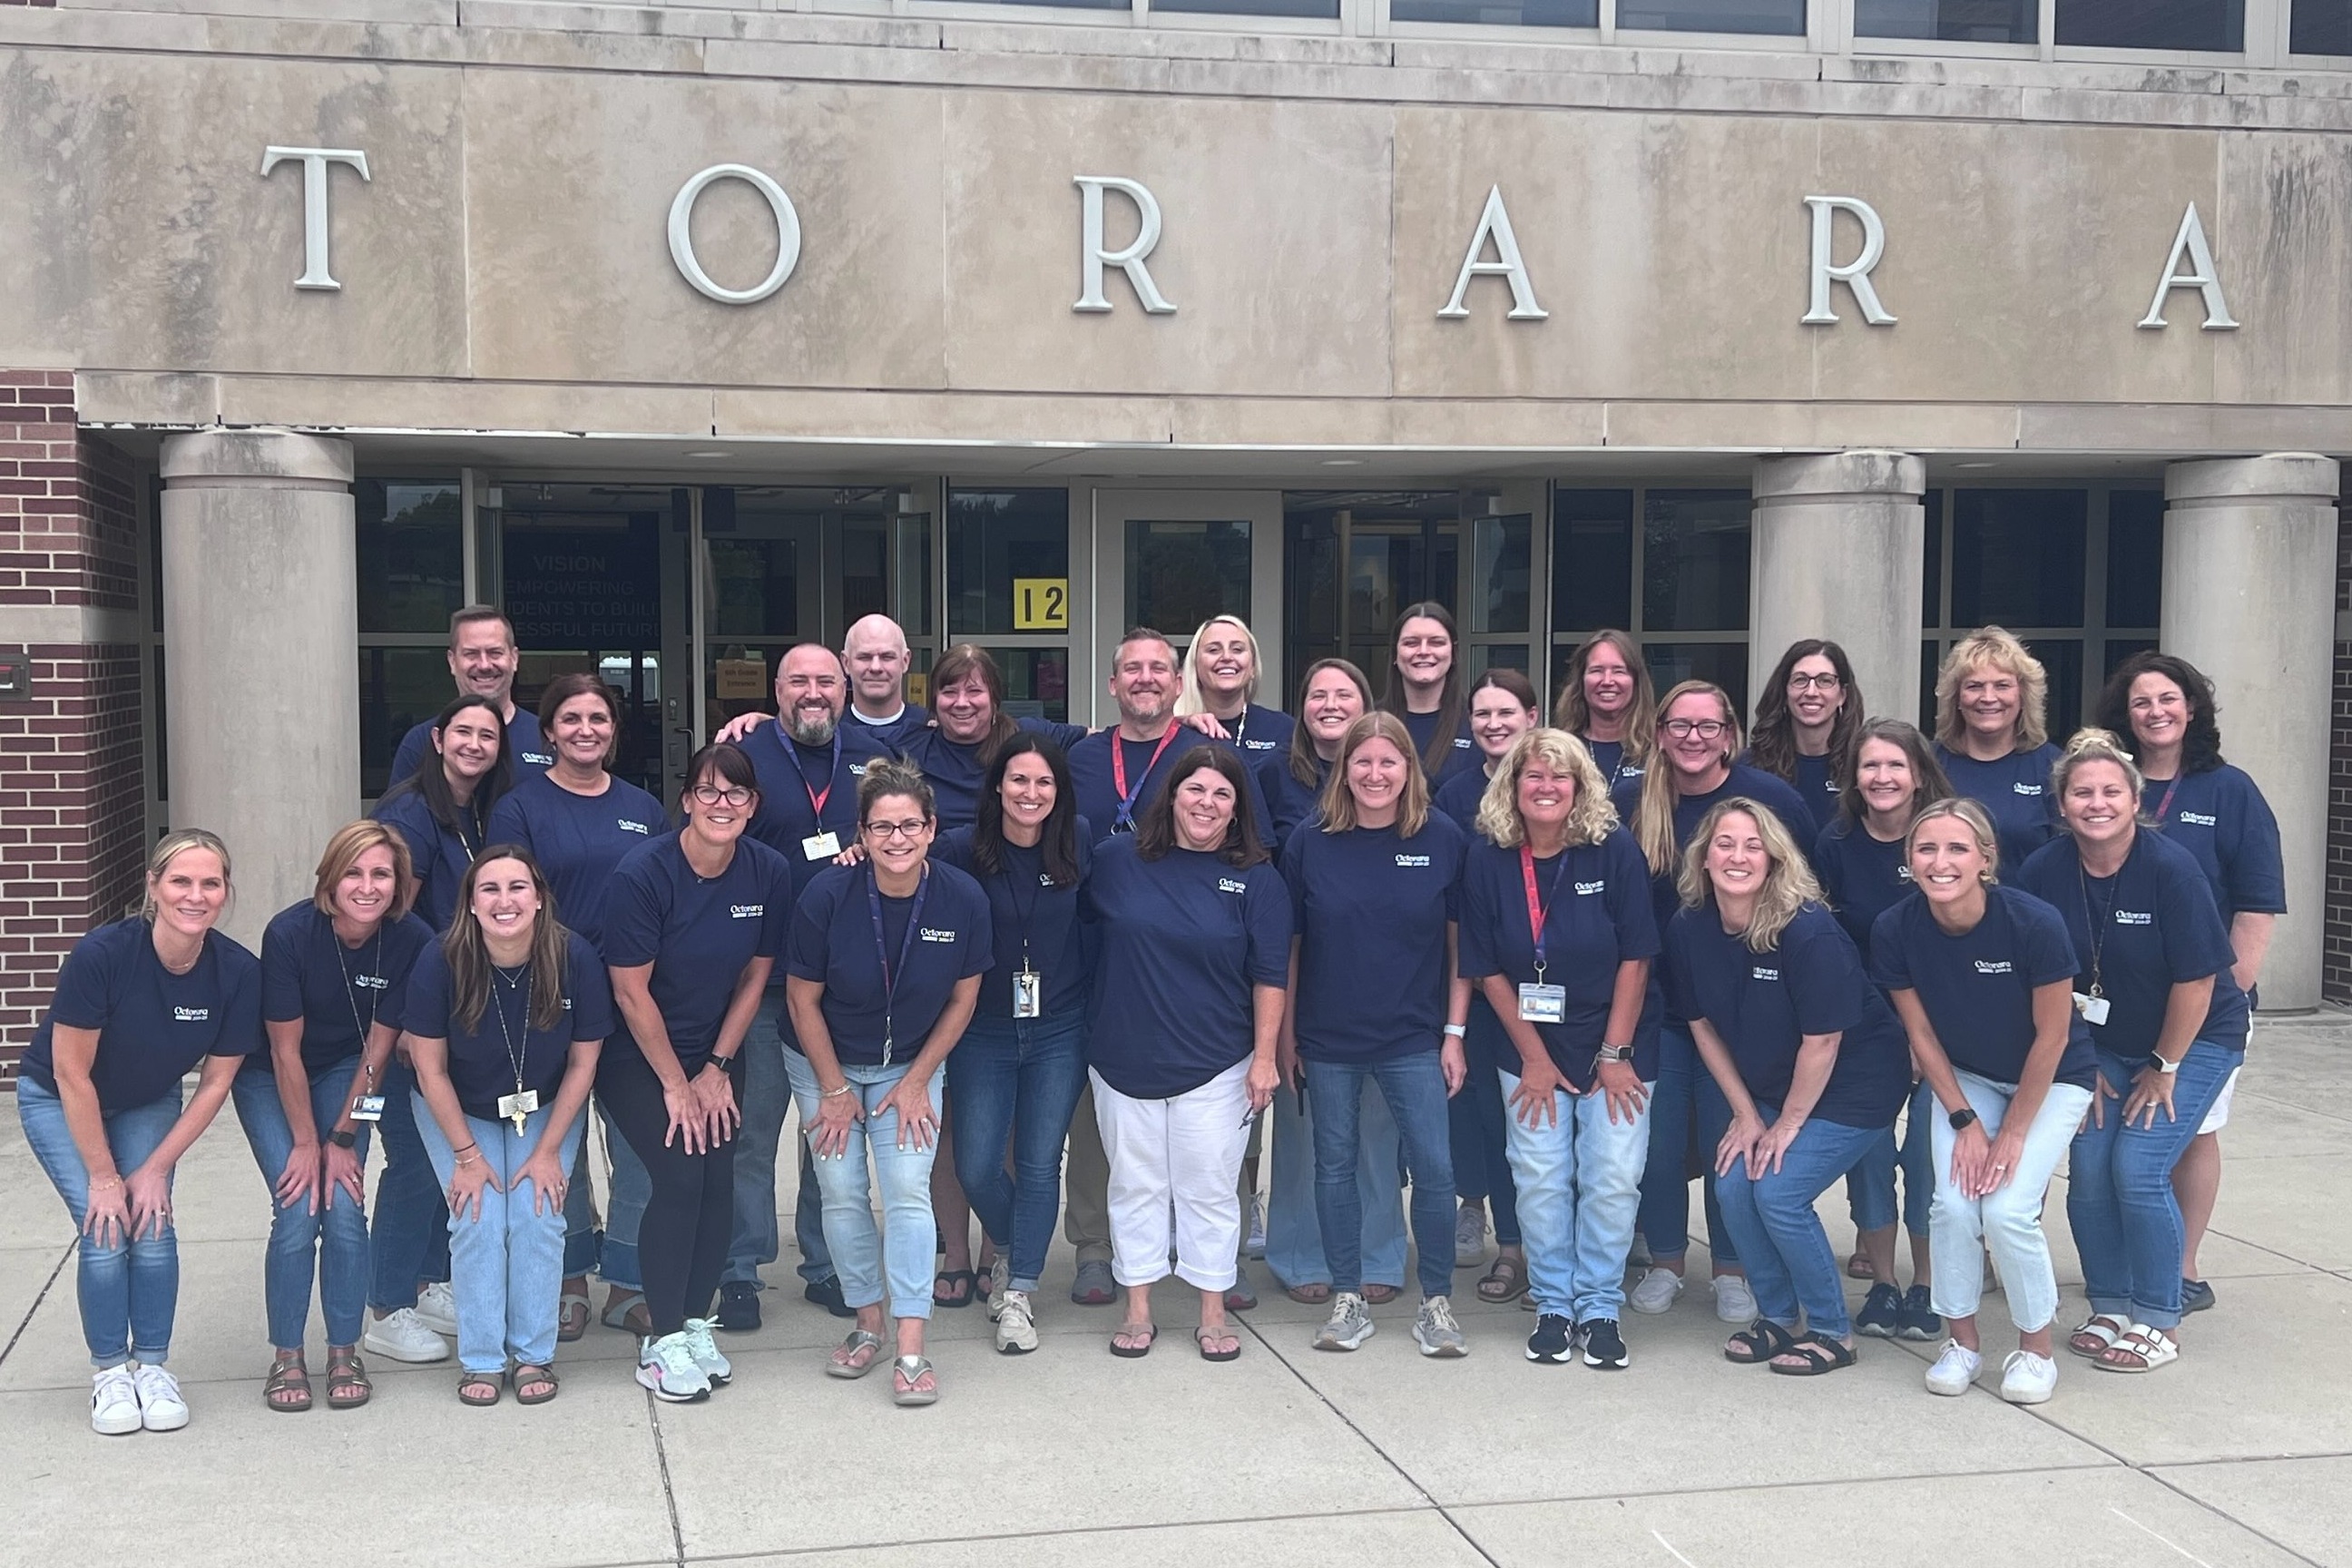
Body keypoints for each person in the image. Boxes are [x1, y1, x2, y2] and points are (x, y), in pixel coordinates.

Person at [2016, 731, 2248, 1375]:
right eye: (2082, 792)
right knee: (2089, 1169)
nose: (2096, 803)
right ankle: (2111, 1304)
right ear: (2062, 804)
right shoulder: (2043, 872)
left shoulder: (2171, 868)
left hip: (2194, 1038)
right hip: (2101, 1044)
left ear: (2134, 799)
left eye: (2110, 791)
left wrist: (2165, 1067)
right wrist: (2080, 1062)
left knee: (2139, 1167)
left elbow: (2197, 982)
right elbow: (2046, 977)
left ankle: (2159, 1316)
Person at [17, 830, 260, 1434]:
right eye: (181, 881)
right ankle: (109, 1375)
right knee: (105, 1226)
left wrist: (152, 1170)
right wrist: (104, 1176)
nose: (195, 895)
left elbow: (214, 1085)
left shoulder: (236, 972)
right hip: (59, 1097)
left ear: (226, 893)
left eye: (210, 883)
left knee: (152, 1222)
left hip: (147, 1101)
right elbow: (72, 1074)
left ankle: (151, 1366)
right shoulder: (103, 954)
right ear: (153, 887)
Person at [1063, 628, 1269, 1308]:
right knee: (1116, 1147)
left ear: (1178, 684)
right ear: (1112, 684)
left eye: (1160, 668)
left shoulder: (1203, 751)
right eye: (1132, 669)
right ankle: (1098, 1252)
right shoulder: (1082, 755)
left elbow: (1255, 854)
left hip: (1203, 973)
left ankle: (1215, 1266)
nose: (1147, 678)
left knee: (1206, 1157)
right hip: (1108, 968)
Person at [1667, 802, 1911, 1377]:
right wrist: (1748, 1116)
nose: (1738, 857)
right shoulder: (1689, 926)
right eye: (1724, 844)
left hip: (1856, 1084)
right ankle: (1780, 1317)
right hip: (1775, 1085)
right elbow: (1700, 1025)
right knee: (1731, 1184)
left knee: (1778, 1191)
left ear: (1776, 859)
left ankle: (1832, 1330)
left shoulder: (1807, 929)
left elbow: (1823, 1042)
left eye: (1753, 846)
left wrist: (1787, 1125)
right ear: (1703, 859)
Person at [1870, 799, 2096, 1405]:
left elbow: (2053, 1038)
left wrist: (2014, 1132)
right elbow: (1921, 1035)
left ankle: (2035, 1352)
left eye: (1956, 849)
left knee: (2007, 1210)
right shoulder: (1895, 928)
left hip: (2050, 1080)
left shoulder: (2034, 923)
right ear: (1909, 859)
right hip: (1967, 1078)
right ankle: (1962, 1343)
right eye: (1926, 849)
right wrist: (1964, 1121)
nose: (1940, 862)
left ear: (1986, 860)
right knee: (1951, 1204)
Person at [785, 760, 991, 1404]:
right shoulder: (827, 895)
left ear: (932, 829)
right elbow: (800, 999)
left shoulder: (962, 898)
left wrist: (918, 1080)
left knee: (906, 1191)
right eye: (882, 827)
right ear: (863, 835)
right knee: (841, 1192)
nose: (897, 839)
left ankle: (910, 1348)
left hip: (911, 1063)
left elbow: (963, 1000)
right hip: (827, 1060)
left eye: (909, 825)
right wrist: (835, 1091)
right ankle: (866, 1323)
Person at [1457, 730, 1659, 1369]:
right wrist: (1535, 1057)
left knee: (1613, 1177)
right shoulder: (1489, 856)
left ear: (1580, 787)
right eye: (1533, 776)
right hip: (1527, 1043)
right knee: (1540, 1177)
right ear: (1511, 786)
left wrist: (1614, 1052)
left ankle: (1599, 1306)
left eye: (1559, 777)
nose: (1546, 787)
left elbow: (1636, 955)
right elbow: (1486, 966)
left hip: (1618, 1042)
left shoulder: (1612, 849)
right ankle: (1552, 1304)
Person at [599, 743, 792, 1402]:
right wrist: (676, 1085)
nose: (722, 805)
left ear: (753, 806)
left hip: (712, 1053)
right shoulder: (643, 872)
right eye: (709, 791)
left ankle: (692, 1325)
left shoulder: (767, 871)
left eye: (736, 794)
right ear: (685, 800)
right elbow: (630, 991)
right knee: (680, 1176)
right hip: (635, 1053)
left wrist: (716, 1066)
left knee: (718, 1181)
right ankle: (660, 1343)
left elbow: (755, 976)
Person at [1083, 747, 1287, 1361]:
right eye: (1195, 790)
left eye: (1222, 795)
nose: (1206, 803)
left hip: (1217, 1063)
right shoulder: (1115, 861)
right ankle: (1138, 1307)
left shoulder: (1258, 879)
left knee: (1208, 1188)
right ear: (1170, 796)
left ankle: (1212, 1311)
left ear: (1237, 810)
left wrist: (1265, 1058)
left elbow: (1270, 976)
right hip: (1122, 1058)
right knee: (1135, 1186)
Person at [2095, 652, 2283, 1315]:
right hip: (2117, 1006)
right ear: (2126, 715)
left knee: (2191, 1132)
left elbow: (2257, 904)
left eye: (2168, 698)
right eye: (2142, 702)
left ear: (2192, 707)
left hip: (2203, 1006)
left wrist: (2217, 991)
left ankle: (2182, 1265)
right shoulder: (2104, 786)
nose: (2156, 712)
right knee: (2116, 1141)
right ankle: (2128, 1265)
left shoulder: (2229, 791)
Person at [1617, 680, 1809, 1323]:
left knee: (1734, 1135)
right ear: (1659, 732)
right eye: (1679, 725)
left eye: (1707, 726)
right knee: (1662, 1141)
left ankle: (1734, 1268)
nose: (1692, 738)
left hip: (1746, 1012)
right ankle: (1668, 1261)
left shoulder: (1770, 800)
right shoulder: (1631, 801)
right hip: (1658, 1008)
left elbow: (1806, 891)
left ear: (1729, 734)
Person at [1281, 712, 1472, 1357]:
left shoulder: (1441, 837)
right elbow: (1292, 948)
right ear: (1344, 768)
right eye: (1363, 761)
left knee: (1436, 1171)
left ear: (1409, 771)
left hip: (1415, 1039)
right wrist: (1285, 1038)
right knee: (1333, 1168)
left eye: (1389, 762)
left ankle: (1438, 1302)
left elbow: (1458, 949)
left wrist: (1454, 1034)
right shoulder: (1312, 840)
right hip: (1328, 1040)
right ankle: (1347, 1296)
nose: (1375, 773)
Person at [487, 673, 666, 1344]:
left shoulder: (643, 808)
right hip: (545, 997)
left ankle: (627, 1283)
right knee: (555, 1145)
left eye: (598, 718)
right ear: (549, 733)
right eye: (571, 719)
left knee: (638, 1146)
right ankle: (568, 1281)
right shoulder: (520, 808)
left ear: (613, 732)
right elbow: (508, 900)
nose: (585, 729)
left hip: (628, 996)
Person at [403, 846, 611, 1406]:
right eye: (488, 890)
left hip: (542, 1106)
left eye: (517, 887)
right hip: (456, 1107)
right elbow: (429, 1068)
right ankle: (482, 1359)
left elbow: (583, 1064)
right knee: (477, 1217)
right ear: (470, 905)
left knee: (539, 1214)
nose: (504, 901)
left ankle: (533, 1354)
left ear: (539, 899)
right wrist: (468, 1158)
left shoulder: (575, 958)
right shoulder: (440, 960)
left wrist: (547, 1153)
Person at [242, 822, 435, 1412]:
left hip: (351, 1072)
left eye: (381, 874)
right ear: (331, 876)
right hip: (271, 1073)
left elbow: (377, 1052)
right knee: (299, 1205)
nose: (368, 886)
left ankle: (344, 1350)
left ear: (399, 883)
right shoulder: (291, 932)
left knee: (346, 1204)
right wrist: (308, 1141)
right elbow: (283, 1051)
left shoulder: (411, 939)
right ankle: (287, 1357)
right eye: (354, 872)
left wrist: (345, 1137)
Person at [726, 643, 890, 1329]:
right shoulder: (746, 754)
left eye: (827, 679)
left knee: (831, 1133)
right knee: (754, 1134)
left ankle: (827, 1265)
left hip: (845, 986)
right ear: (777, 690)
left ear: (846, 685)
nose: (814, 691)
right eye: (799, 681)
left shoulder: (876, 759)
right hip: (764, 980)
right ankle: (739, 1270)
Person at [932, 736, 1093, 1355]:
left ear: (1059, 791)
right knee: (975, 1164)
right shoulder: (959, 850)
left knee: (1037, 1161)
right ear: (997, 787)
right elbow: (903, 869)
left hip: (1059, 1026)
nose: (1031, 794)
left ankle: (1019, 1289)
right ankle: (1014, 1248)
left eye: (1044, 783)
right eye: (1019, 781)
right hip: (983, 1028)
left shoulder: (1076, 840)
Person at [368, 690, 509, 1359]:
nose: (475, 744)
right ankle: (385, 1305)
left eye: (487, 735)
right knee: (413, 1166)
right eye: (463, 732)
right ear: (437, 738)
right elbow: (399, 916)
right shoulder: (412, 812)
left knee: (430, 1160)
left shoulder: (471, 810)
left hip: (453, 1005)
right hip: (409, 1011)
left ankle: (426, 1284)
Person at [1811, 719, 1953, 1340]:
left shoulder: (1946, 839)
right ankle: (1885, 1285)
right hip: (1866, 1028)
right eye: (1871, 766)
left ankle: (1927, 1285)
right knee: (1867, 1157)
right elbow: (1829, 947)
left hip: (1947, 1029)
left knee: (1924, 1156)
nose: (1883, 778)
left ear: (1918, 773)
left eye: (1896, 766)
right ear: (1853, 776)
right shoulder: (1835, 844)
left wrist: (1923, 1039)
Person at [1432, 669, 1540, 1300]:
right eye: (1482, 715)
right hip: (1476, 981)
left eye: (1506, 712)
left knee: (1541, 1125)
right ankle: (1509, 1247)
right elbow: (1450, 909)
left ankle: (1551, 1247)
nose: (1494, 724)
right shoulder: (1454, 794)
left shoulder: (1560, 779)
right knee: (1484, 1119)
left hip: (1555, 988)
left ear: (1532, 715)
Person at [906, 644, 1087, 831]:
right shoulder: (911, 744)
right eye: (949, 692)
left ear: (994, 697)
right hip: (938, 858)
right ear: (934, 699)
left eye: (974, 691)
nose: (961, 703)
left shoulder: (1025, 736)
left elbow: (1104, 739)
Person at [1932, 627, 2063, 873]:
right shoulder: (1928, 763)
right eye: (1975, 686)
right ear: (1956, 697)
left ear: (2023, 695)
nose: (1988, 697)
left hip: (2027, 909)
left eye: (2002, 685)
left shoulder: (2054, 767)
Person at [387, 606, 554, 785]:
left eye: (494, 653)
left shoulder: (549, 739)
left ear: (514, 659)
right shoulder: (420, 743)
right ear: (452, 661)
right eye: (471, 654)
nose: (484, 665)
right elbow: (395, 813)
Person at [1743, 639, 1863, 842]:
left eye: (1825, 681)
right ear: (1784, 691)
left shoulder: (1864, 765)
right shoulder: (1750, 766)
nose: (1811, 692)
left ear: (1842, 695)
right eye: (1800, 680)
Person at [1257, 658, 1374, 848]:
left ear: (1366, 707)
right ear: (1303, 708)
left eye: (1344, 695)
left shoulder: (1384, 773)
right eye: (1318, 696)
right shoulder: (1272, 772)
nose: (1330, 705)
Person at [1378, 602, 1480, 789]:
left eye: (1436, 642)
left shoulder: (1477, 723)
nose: (1424, 651)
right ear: (1395, 653)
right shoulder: (1371, 721)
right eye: (1411, 643)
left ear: (1453, 653)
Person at [1175, 613, 1295, 761]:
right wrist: (1181, 722)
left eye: (1237, 649)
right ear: (1195, 666)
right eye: (1213, 650)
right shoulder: (1174, 730)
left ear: (1252, 667)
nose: (1226, 657)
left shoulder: (1282, 729)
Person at [1551, 629, 1655, 796]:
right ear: (1581, 680)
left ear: (1636, 682)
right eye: (1597, 670)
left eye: (1618, 671)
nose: (1607, 681)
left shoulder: (1658, 749)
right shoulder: (1559, 750)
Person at [841, 612, 932, 750]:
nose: (875, 668)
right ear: (846, 663)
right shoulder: (830, 730)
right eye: (864, 657)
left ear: (905, 661)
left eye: (887, 657)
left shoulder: (930, 729)